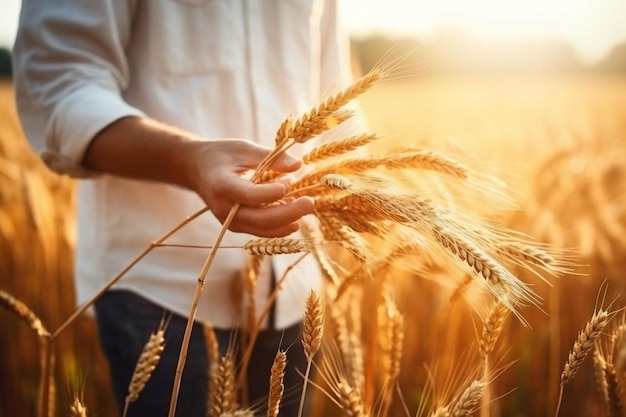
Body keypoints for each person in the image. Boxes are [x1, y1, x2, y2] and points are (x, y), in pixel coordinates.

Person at [13, 1, 354, 416]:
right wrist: (189, 160)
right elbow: (59, 85)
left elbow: (336, 93)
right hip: (160, 286)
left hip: (296, 286)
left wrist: (369, 196)